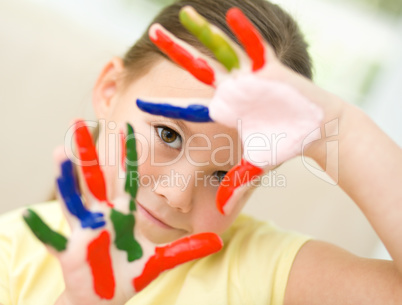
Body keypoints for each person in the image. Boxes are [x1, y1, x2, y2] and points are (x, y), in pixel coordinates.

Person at [1, 0, 401, 304]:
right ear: (110, 90)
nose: (177, 195)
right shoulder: (12, 250)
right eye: (168, 135)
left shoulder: (265, 267)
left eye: (223, 174)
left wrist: (340, 127)